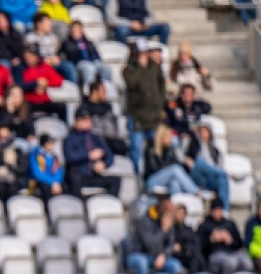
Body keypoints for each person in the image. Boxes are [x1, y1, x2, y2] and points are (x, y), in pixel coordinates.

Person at [124, 40, 166, 169]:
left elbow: (161, 85)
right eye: (141, 53)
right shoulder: (129, 70)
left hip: (154, 117)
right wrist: (141, 68)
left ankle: (155, 171)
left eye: (146, 52)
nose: (145, 55)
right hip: (138, 118)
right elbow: (132, 83)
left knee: (157, 148)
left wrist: (159, 105)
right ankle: (136, 177)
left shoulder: (155, 67)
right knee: (136, 149)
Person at [127, 197, 183, 274]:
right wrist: (163, 230)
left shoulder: (168, 219)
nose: (169, 214)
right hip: (138, 254)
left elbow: (170, 244)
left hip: (157, 256)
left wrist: (163, 255)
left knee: (175, 265)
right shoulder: (144, 220)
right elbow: (149, 244)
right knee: (142, 263)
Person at [63, 110, 120, 198]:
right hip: (78, 176)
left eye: (89, 120)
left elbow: (109, 156)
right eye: (85, 120)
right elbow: (70, 157)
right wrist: (88, 155)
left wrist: (104, 164)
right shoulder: (70, 139)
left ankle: (109, 205)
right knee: (74, 180)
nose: (89, 123)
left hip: (93, 175)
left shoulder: (95, 138)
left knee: (115, 180)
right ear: (77, 122)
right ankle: (79, 207)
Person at [107, 0, 171, 44]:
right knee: (121, 31)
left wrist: (147, 22)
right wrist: (130, 24)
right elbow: (110, 18)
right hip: (127, 27)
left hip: (143, 27)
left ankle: (160, 52)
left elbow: (152, 15)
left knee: (165, 27)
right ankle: (124, 53)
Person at [197, 199, 252, 274]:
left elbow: (239, 243)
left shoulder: (230, 224)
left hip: (231, 252)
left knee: (247, 262)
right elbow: (199, 246)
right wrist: (211, 240)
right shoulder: (204, 225)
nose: (217, 213)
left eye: (219, 210)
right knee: (231, 262)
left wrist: (230, 240)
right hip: (214, 254)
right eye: (215, 210)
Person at [144, 124, 199, 197]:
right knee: (174, 169)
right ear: (161, 136)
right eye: (168, 136)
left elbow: (178, 165)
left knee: (175, 182)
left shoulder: (170, 149)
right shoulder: (151, 149)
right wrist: (168, 168)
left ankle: (175, 204)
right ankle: (196, 191)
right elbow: (154, 168)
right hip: (152, 179)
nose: (170, 138)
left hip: (166, 177)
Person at [60, 20, 112, 89]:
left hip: (92, 61)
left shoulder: (89, 42)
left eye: (77, 29)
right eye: (73, 29)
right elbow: (70, 55)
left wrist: (96, 60)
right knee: (88, 68)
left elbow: (96, 55)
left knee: (106, 68)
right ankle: (88, 91)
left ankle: (105, 90)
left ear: (81, 30)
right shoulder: (67, 43)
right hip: (79, 63)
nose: (75, 31)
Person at [29, 134, 64, 200]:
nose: (51, 145)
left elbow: (59, 171)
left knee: (64, 187)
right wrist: (52, 183)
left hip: (54, 182)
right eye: (49, 143)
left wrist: (56, 182)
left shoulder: (54, 157)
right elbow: (37, 174)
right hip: (41, 182)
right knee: (46, 188)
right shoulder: (36, 156)